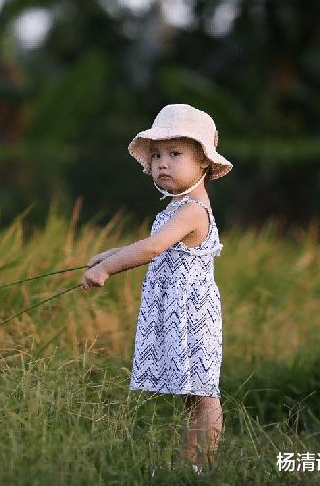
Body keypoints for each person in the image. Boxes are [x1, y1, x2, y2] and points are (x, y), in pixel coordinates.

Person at [80, 103, 233, 475]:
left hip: (192, 316)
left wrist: (107, 269)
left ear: (204, 165)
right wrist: (111, 253)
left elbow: (151, 249)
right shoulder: (177, 208)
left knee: (203, 392)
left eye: (176, 154)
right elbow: (155, 249)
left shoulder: (193, 210)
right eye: (157, 155)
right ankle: (188, 461)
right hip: (176, 313)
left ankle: (206, 465)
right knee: (189, 392)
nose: (162, 163)